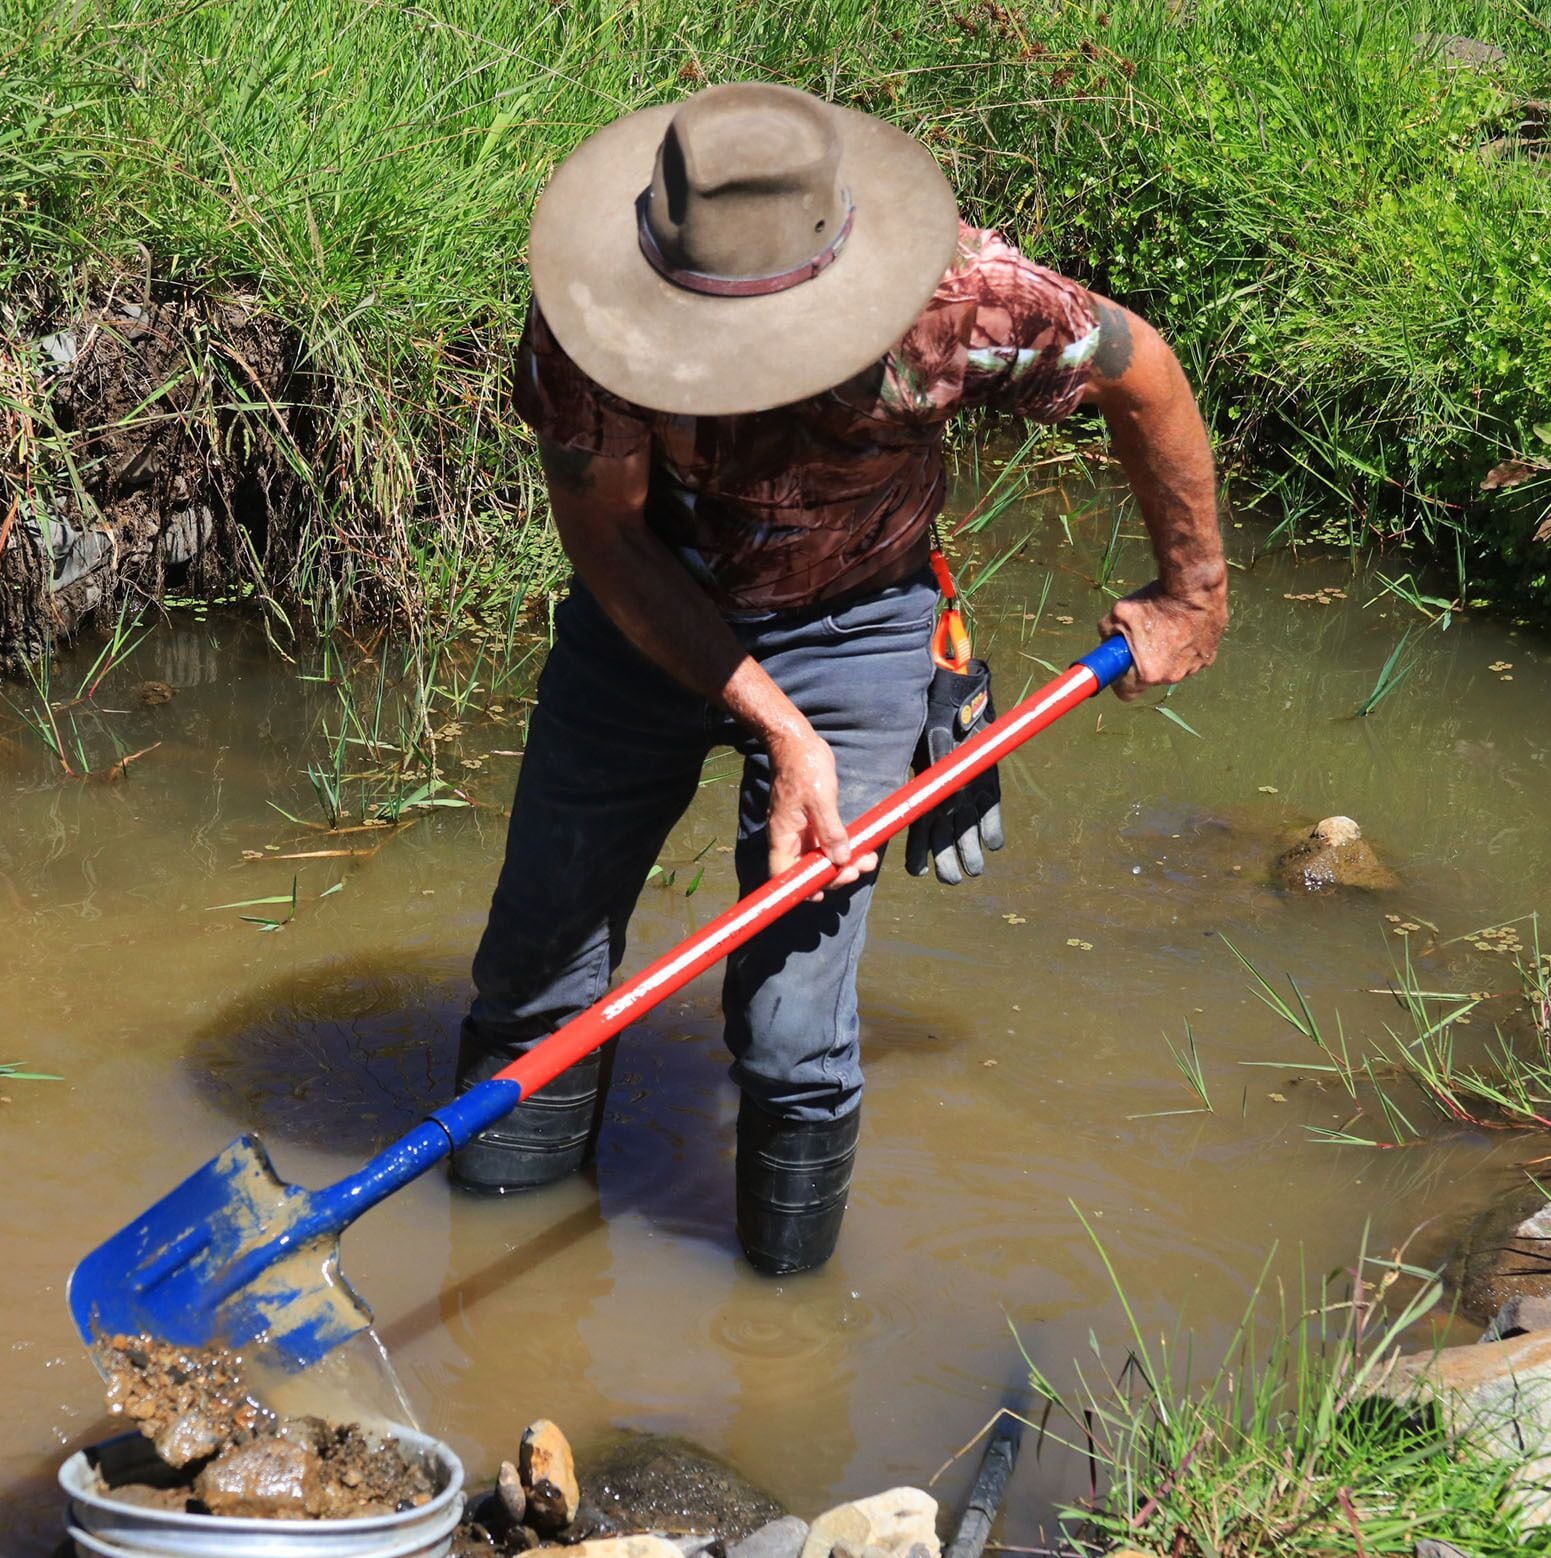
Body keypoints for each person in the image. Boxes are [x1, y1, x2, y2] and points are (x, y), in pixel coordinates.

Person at [454, 81, 1229, 1274]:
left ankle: (781, 1345)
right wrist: (775, 726)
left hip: (856, 617)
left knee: (790, 1032)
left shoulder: (961, 307)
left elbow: (1146, 373)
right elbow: (607, 543)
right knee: (536, 976)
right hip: (647, 615)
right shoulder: (589, 327)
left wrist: (1190, 590)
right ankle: (486, 1268)